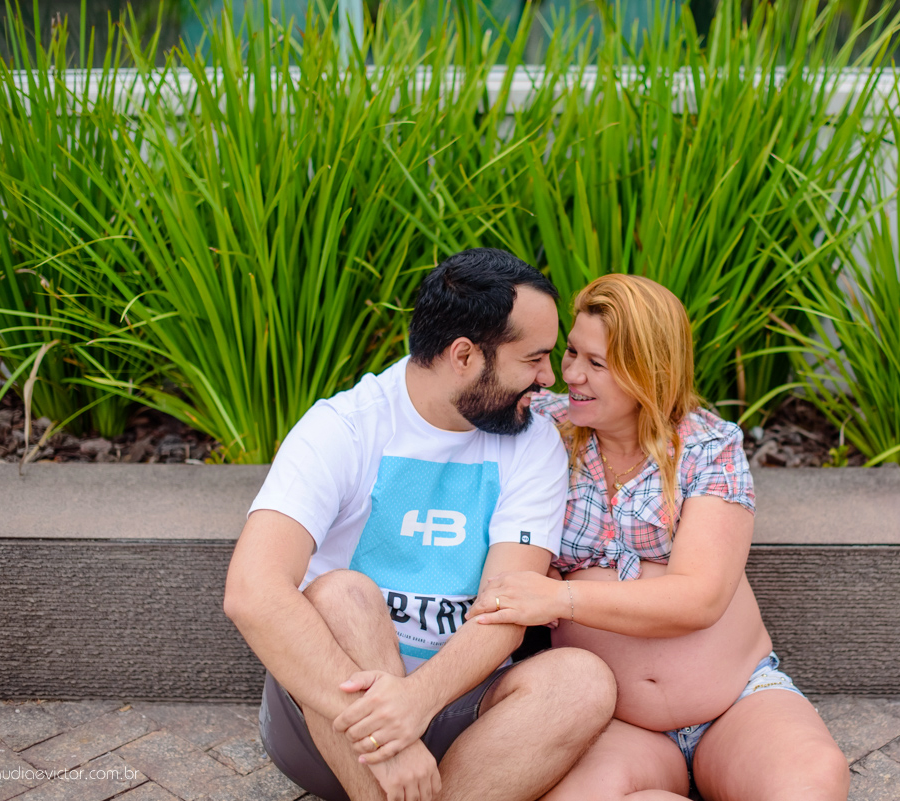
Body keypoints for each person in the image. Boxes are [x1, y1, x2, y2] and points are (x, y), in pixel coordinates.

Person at [223, 248, 616, 801]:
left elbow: (507, 605)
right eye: (534, 359)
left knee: (582, 681)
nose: (550, 379)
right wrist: (388, 729)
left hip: (462, 717)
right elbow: (252, 593)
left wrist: (414, 702)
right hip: (333, 719)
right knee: (341, 595)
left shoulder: (531, 442)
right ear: (464, 355)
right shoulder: (344, 429)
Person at [469, 274, 850, 801]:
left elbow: (698, 597)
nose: (571, 374)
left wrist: (560, 595)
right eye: (572, 352)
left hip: (735, 704)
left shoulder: (706, 447)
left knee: (811, 782)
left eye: (596, 364)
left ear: (650, 370)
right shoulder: (543, 432)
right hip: (617, 723)